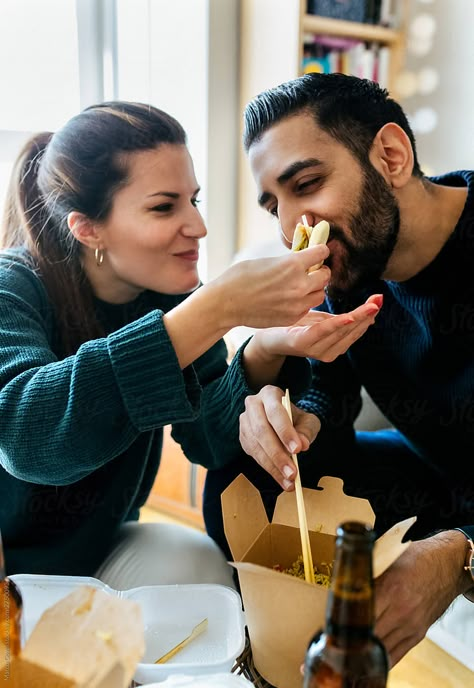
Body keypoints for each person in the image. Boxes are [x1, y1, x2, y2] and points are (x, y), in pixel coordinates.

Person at [0, 100, 379, 589]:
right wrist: (213, 310)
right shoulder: (14, 288)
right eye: (164, 207)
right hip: (12, 559)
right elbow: (28, 434)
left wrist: (265, 349)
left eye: (193, 201)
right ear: (87, 228)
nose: (197, 227)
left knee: (202, 570)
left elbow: (211, 442)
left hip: (99, 546)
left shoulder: (170, 296)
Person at [203, 73, 474, 666]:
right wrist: (298, 423)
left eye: (307, 184)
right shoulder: (351, 271)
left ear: (391, 156)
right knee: (245, 479)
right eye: (275, 204)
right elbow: (331, 393)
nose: (291, 228)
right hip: (441, 480)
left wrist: (461, 556)